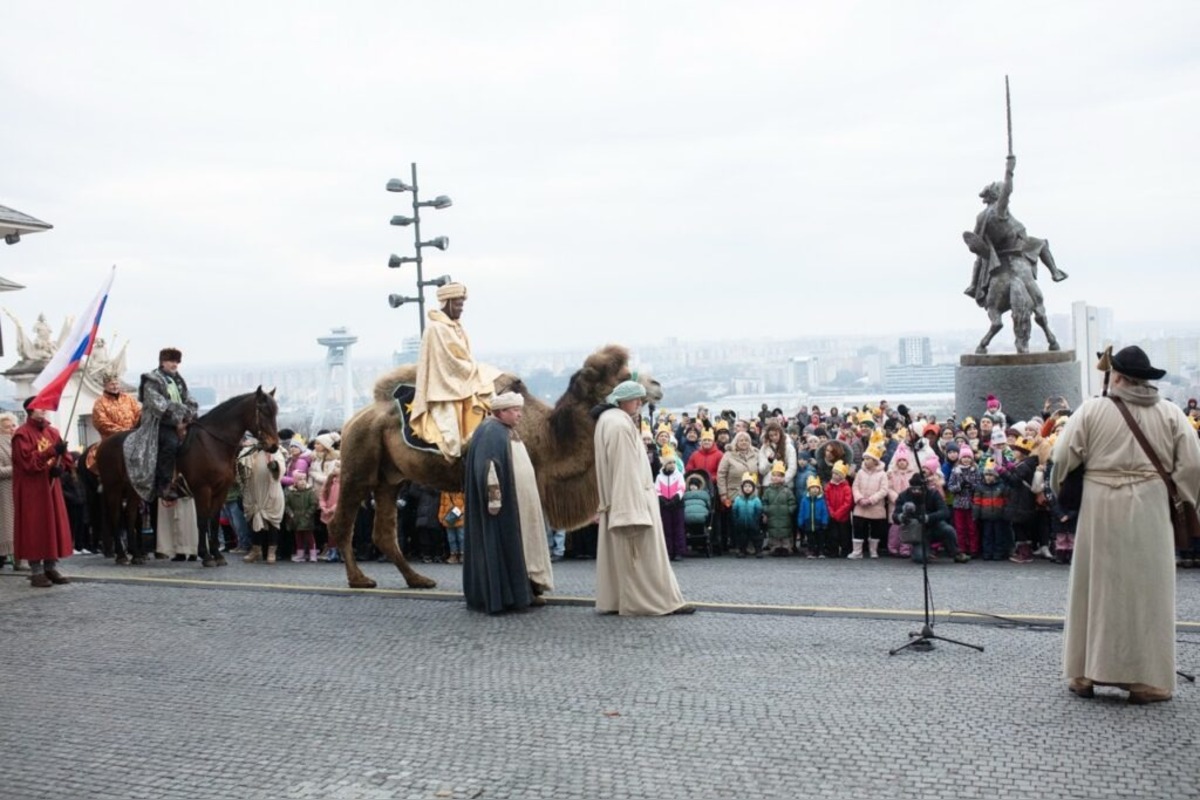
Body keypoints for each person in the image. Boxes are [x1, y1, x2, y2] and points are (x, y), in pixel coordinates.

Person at [1051, 345, 1200, 704]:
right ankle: (1145, 681)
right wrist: (1181, 499)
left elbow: (1061, 459)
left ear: (1116, 376)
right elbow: (1193, 466)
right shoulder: (1171, 414)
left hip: (1100, 506)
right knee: (1147, 594)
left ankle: (1084, 673)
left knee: (1094, 590)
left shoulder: (1091, 411)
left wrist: (1066, 494)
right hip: (1150, 507)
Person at [592, 380, 693, 616]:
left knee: (622, 560)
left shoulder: (610, 421)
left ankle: (617, 600)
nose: (639, 403)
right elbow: (625, 470)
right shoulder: (618, 425)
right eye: (636, 399)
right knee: (644, 557)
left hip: (621, 500)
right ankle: (652, 601)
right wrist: (631, 512)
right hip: (631, 502)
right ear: (622, 401)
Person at [462, 391, 553, 613]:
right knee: (506, 547)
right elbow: (489, 468)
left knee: (521, 547)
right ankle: (508, 596)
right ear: (501, 412)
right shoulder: (491, 432)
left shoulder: (505, 430)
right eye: (515, 411)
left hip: (519, 504)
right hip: (504, 508)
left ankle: (526, 590)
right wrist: (495, 500)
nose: (519, 415)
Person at [409, 282, 500, 460]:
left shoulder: (456, 326)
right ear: (447, 303)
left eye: (462, 305)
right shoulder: (435, 329)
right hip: (444, 387)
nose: (461, 309)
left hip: (462, 379)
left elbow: (463, 357)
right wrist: (475, 370)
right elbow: (449, 362)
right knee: (451, 440)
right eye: (458, 305)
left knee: (488, 393)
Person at [12, 399, 75, 587]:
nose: (44, 410)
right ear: (31, 411)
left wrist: (61, 467)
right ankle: (36, 570)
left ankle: (50, 566)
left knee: (52, 524)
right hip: (32, 488)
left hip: (51, 486)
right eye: (40, 407)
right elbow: (27, 462)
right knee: (35, 526)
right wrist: (50, 452)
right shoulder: (21, 434)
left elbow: (65, 457)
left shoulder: (53, 432)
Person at [124, 347, 199, 502]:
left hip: (180, 421)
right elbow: (160, 406)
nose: (175, 365)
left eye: (177, 362)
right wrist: (179, 417)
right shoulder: (152, 380)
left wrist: (188, 415)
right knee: (170, 443)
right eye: (172, 361)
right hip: (159, 424)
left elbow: (190, 399)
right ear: (163, 362)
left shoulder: (178, 380)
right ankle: (163, 485)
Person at [239, 442, 287, 564]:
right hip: (253, 490)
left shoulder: (275, 451)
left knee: (272, 522)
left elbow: (280, 469)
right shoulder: (249, 451)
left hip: (270, 489)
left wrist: (274, 466)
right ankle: (256, 550)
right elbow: (240, 467)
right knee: (254, 519)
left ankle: (272, 552)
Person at [91, 372, 141, 440]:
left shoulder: (128, 398)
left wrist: (134, 429)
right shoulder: (100, 403)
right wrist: (123, 432)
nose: (115, 387)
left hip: (133, 436)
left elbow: (138, 413)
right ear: (105, 386)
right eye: (112, 384)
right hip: (112, 440)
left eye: (116, 384)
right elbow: (101, 423)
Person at [0, 413, 16, 570]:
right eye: (7, 427)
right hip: (3, 491)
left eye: (12, 426)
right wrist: (16, 469)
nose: (12, 429)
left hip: (17, 489)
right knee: (6, 526)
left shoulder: (16, 443)